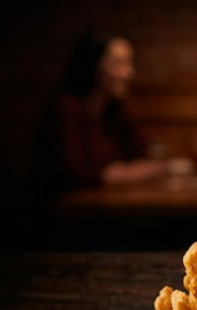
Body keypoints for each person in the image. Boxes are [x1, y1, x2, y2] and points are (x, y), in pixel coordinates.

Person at [35, 29, 166, 194]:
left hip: (105, 207)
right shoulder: (65, 108)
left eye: (129, 63)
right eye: (119, 63)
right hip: (66, 213)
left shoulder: (114, 109)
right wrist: (122, 173)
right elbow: (72, 174)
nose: (129, 73)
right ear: (92, 65)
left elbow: (141, 152)